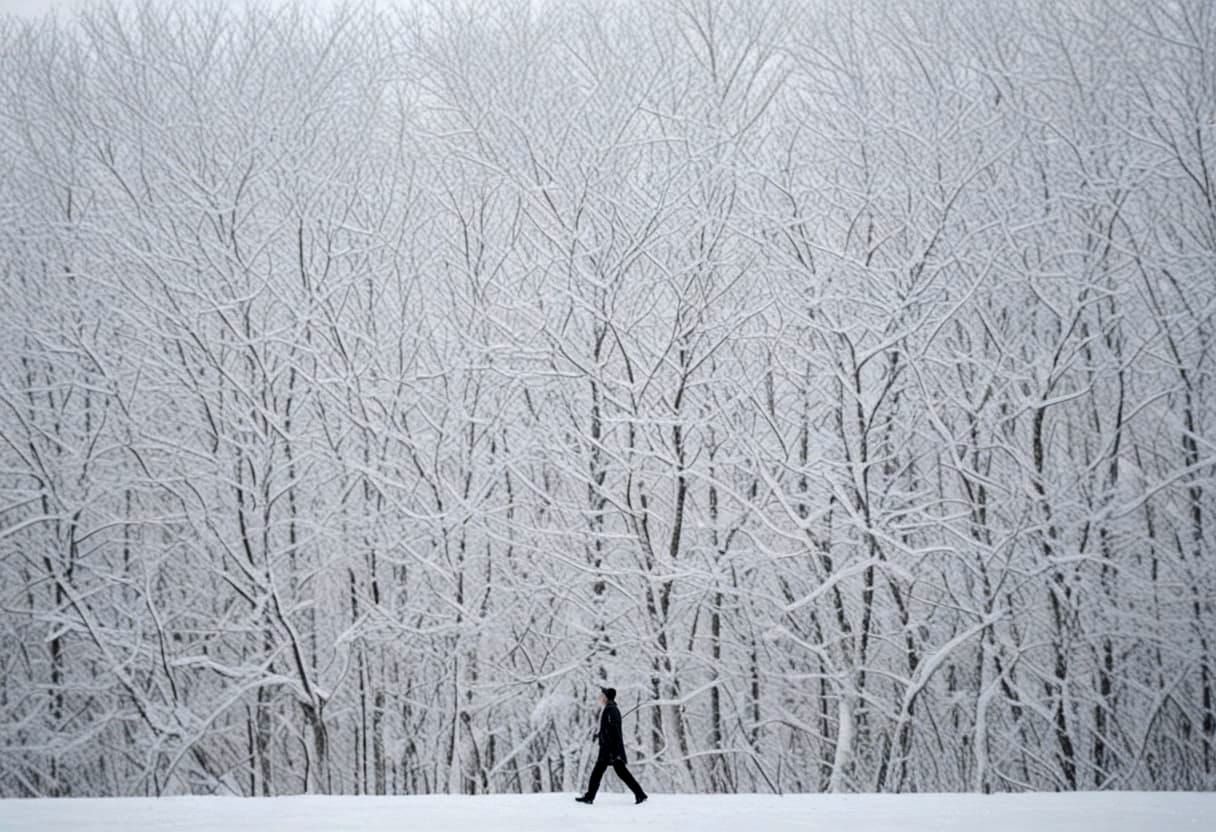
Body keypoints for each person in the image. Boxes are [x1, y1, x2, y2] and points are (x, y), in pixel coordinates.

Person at [575, 687, 647, 805]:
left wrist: (611, 750)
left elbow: (614, 732)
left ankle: (589, 797)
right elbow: (610, 730)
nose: (600, 698)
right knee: (620, 773)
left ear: (606, 697)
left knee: (598, 773)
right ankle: (640, 794)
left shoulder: (611, 710)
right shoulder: (611, 709)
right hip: (611, 749)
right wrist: (600, 734)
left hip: (610, 750)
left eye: (601, 696)